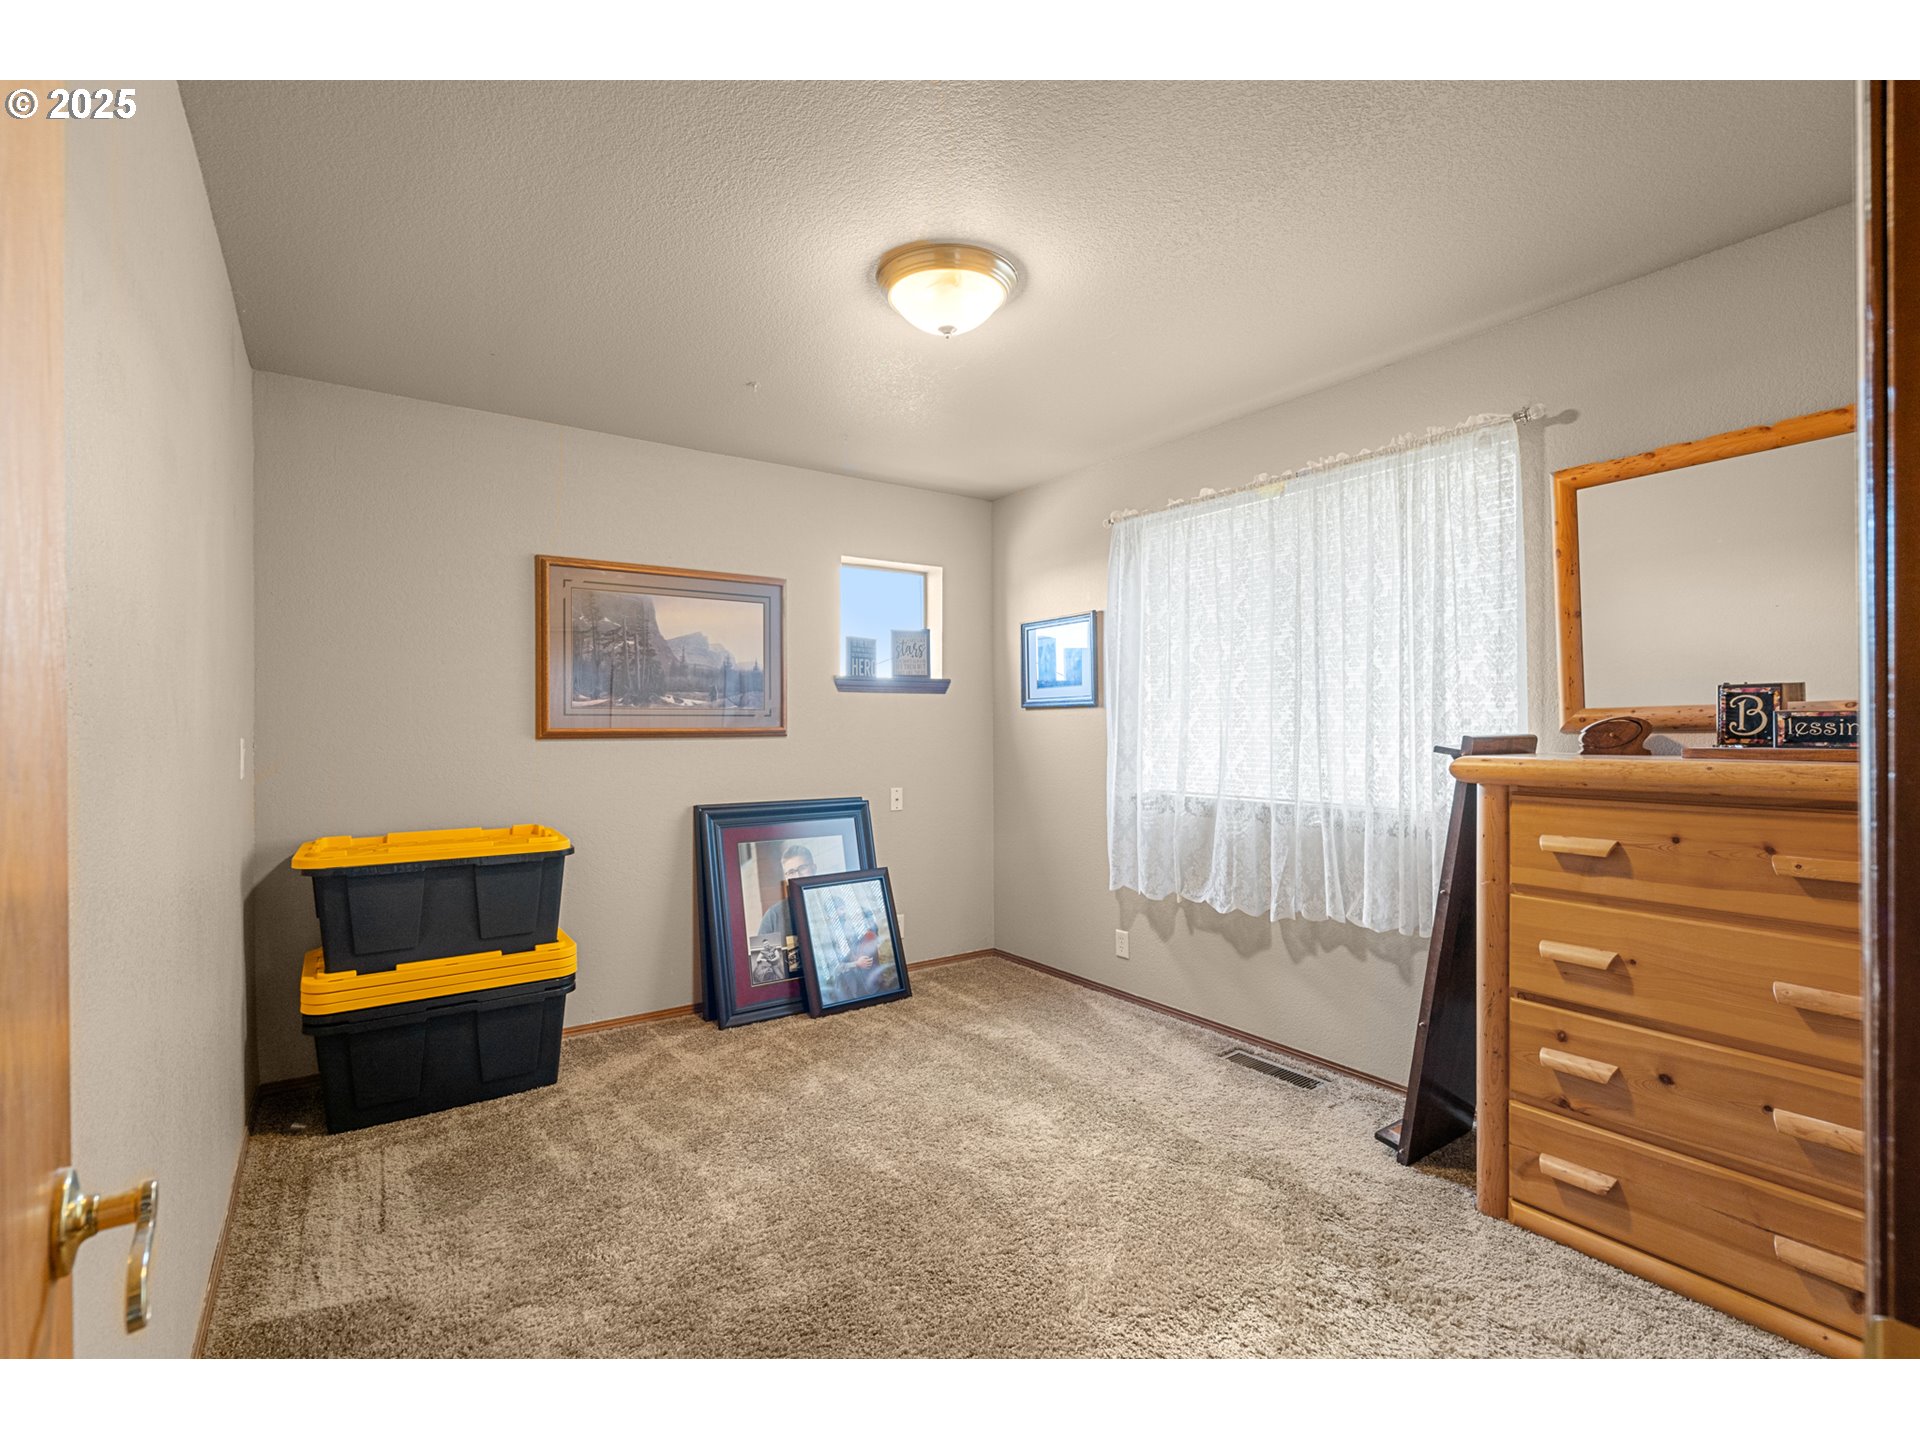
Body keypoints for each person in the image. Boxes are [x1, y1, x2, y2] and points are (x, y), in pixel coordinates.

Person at [752, 842, 817, 977]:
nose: (797, 875)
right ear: (786, 877)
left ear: (814, 868)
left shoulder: (834, 904)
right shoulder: (772, 916)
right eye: (791, 872)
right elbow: (760, 975)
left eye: (803, 868)